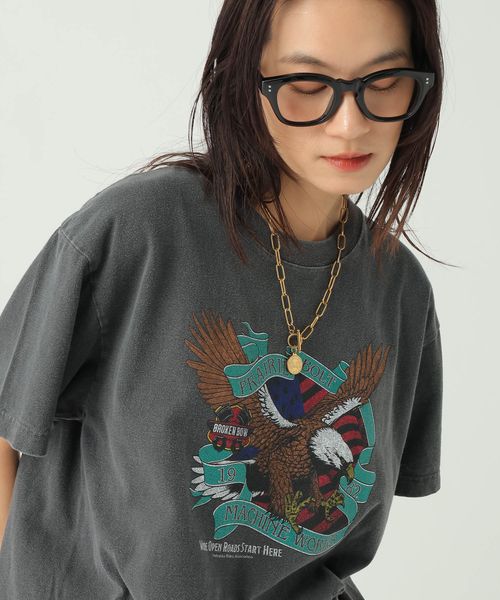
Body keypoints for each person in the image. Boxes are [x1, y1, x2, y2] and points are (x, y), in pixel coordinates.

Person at [0, 0, 449, 598]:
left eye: (384, 81)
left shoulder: (400, 291)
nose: (349, 123)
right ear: (244, 80)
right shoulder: (140, 233)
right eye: (307, 84)